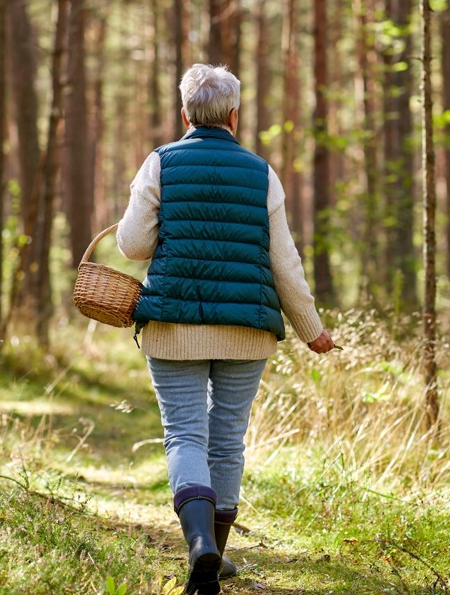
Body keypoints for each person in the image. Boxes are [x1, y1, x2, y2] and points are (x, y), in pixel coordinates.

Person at [117, 63, 336, 595]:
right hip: (247, 329)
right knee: (227, 438)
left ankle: (200, 548)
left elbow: (132, 245)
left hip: (172, 326)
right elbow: (284, 263)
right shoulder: (261, 172)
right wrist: (311, 329)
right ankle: (216, 548)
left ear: (185, 113)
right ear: (234, 115)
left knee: (185, 432)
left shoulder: (160, 163)